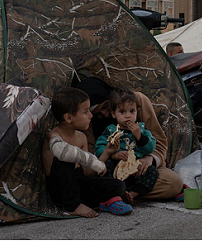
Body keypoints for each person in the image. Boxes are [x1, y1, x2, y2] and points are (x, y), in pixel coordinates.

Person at [75, 77, 184, 201]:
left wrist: (150, 159)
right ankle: (121, 192)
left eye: (105, 106)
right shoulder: (89, 121)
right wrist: (113, 155)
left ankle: (126, 194)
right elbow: (93, 153)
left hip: (140, 168)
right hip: (111, 171)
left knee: (173, 183)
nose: (104, 114)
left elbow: (158, 141)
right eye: (98, 114)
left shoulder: (136, 101)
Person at [42, 87, 133, 218]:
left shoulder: (81, 137)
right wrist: (94, 162)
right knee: (67, 158)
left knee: (118, 185)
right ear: (69, 117)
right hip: (60, 188)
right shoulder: (54, 136)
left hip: (79, 185)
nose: (91, 115)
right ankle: (72, 207)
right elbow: (63, 152)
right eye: (86, 112)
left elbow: (88, 172)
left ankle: (106, 200)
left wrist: (106, 153)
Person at [95, 87, 159, 203]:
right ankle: (116, 193)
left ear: (137, 112)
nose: (128, 116)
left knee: (152, 172)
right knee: (105, 167)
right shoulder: (110, 131)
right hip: (116, 169)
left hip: (136, 170)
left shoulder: (142, 129)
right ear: (113, 114)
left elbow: (151, 148)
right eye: (122, 112)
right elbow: (99, 148)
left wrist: (139, 136)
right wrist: (114, 155)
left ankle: (133, 194)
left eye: (132, 111)